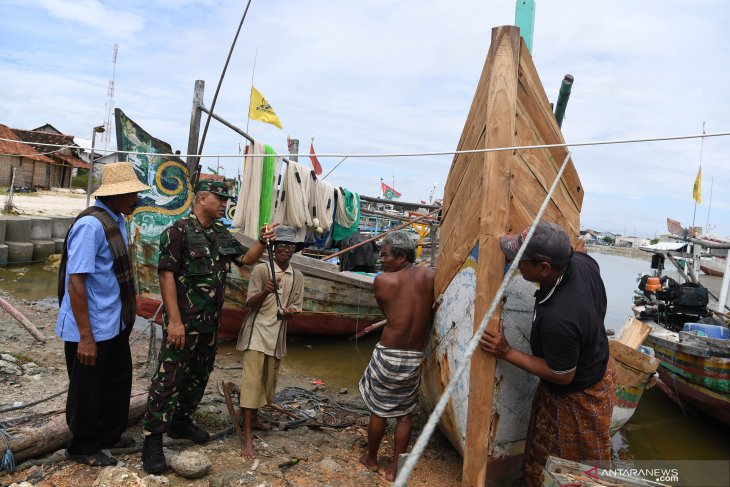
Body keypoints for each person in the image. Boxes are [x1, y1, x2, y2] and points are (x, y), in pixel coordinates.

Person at [141, 180, 276, 474]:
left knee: (198, 375)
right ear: (202, 198)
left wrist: (263, 241)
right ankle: (153, 439)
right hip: (184, 324)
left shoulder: (218, 233)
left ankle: (181, 422)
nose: (224, 203)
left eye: (226, 198)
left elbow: (245, 260)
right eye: (220, 198)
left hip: (208, 325)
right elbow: (166, 277)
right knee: (169, 379)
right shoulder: (177, 232)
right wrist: (174, 321)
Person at [479, 220, 615, 487]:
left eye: (521, 258)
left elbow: (561, 375)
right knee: (545, 454)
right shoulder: (584, 263)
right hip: (599, 364)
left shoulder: (559, 317)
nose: (514, 261)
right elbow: (581, 248)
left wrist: (506, 351)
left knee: (575, 469)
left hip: (578, 396)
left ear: (544, 268)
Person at [57, 162, 151, 466]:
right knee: (88, 389)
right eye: (130, 194)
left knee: (116, 381)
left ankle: (109, 434)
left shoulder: (116, 219)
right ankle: (83, 446)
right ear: (114, 194)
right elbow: (76, 281)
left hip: (112, 322)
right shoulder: (90, 226)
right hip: (91, 327)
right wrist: (86, 336)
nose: (135, 199)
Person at [358, 231, 435, 481]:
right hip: (414, 355)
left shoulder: (383, 282)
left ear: (402, 257)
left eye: (385, 255)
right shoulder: (430, 276)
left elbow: (389, 314)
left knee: (379, 410)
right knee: (405, 414)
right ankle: (394, 468)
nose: (381, 260)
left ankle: (371, 459)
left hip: (389, 352)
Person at [235, 225, 304, 458]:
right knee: (251, 385)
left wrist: (289, 313)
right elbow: (249, 304)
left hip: (277, 338)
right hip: (256, 335)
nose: (286, 250)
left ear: (294, 250)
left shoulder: (298, 277)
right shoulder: (262, 270)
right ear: (273, 249)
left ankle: (254, 420)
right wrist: (265, 292)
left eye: (290, 246)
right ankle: (246, 439)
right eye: (281, 245)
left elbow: (295, 307)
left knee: (266, 384)